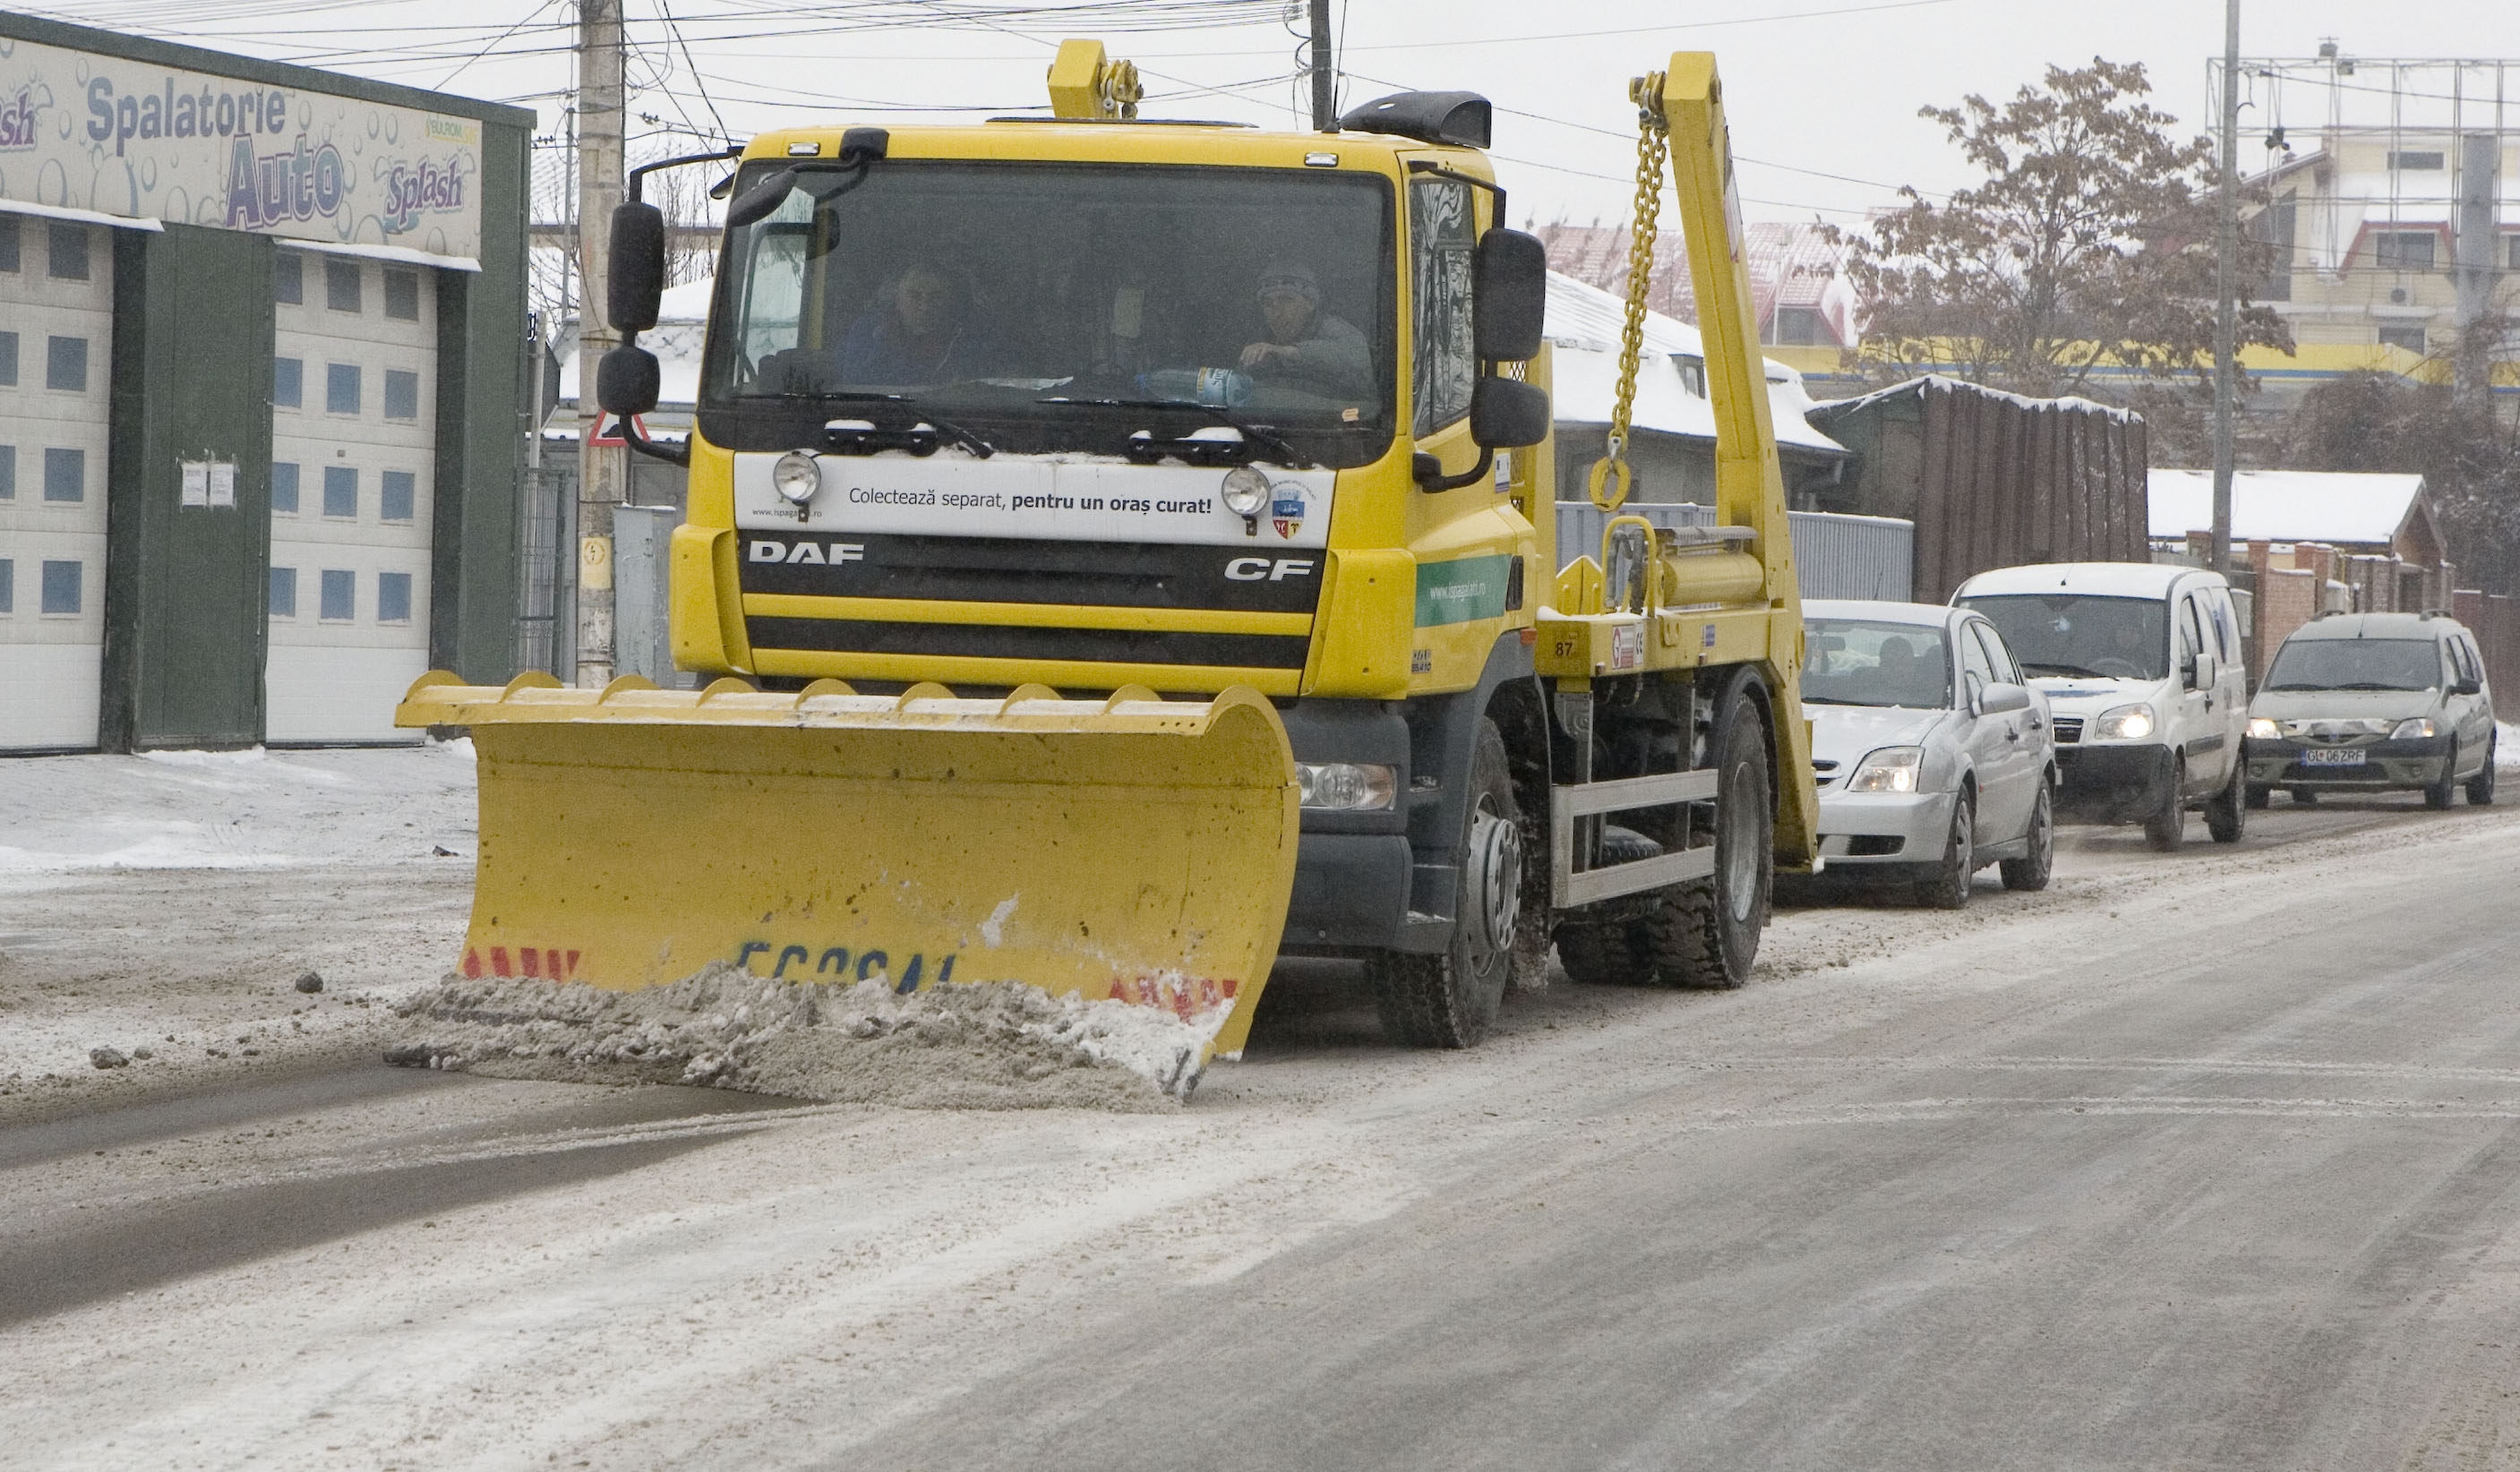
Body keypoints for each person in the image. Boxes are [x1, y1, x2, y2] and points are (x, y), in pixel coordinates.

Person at [833, 264, 1000, 385]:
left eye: (936, 296)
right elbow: (856, 381)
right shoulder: (867, 331)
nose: (925, 306)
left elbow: (972, 391)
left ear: (951, 301)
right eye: (914, 295)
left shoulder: (972, 340)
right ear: (897, 299)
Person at [1236, 261, 1369, 399]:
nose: (1276, 312)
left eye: (1286, 300)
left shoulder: (1333, 328)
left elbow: (1359, 359)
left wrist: (1288, 352)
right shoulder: (1258, 341)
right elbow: (1237, 391)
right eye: (1268, 303)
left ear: (1310, 303)